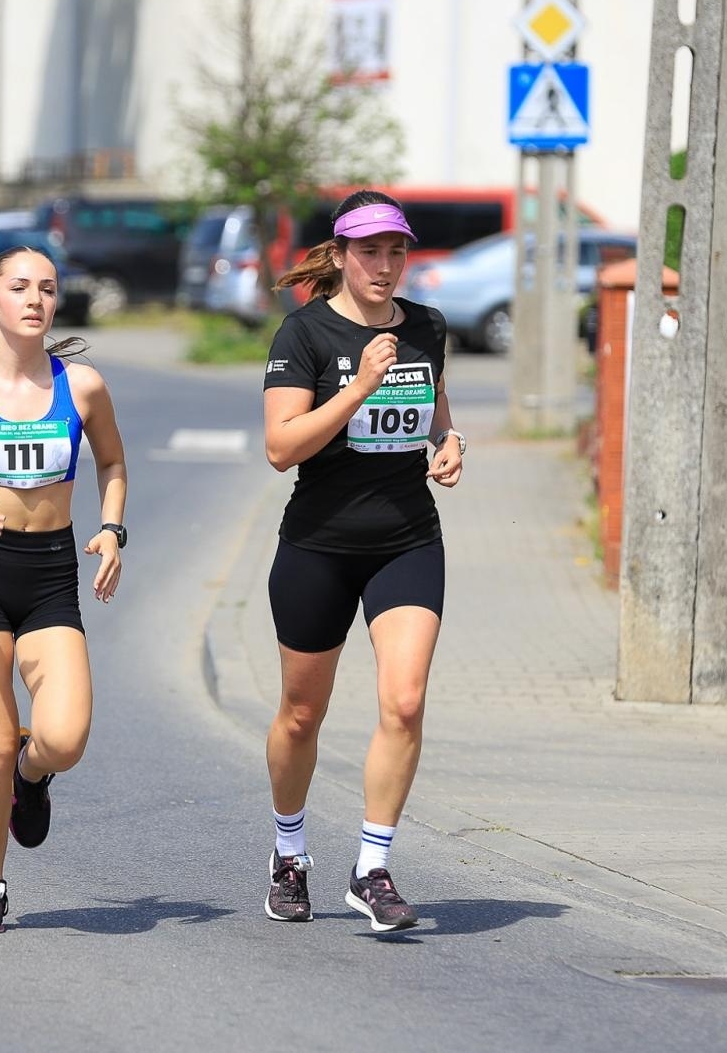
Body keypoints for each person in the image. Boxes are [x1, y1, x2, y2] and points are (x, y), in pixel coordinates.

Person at [259, 190, 463, 932]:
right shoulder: (305, 332)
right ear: (341, 255)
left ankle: (372, 868)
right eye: (370, 252)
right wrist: (360, 388)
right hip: (318, 544)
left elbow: (436, 408)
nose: (384, 265)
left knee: (404, 702)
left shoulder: (427, 326)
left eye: (396, 252)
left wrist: (449, 442)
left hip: (407, 539)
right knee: (300, 714)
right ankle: (289, 854)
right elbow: (281, 447)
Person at [0, 245, 128, 933]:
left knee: (63, 740)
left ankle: (32, 779)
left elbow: (113, 462)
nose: (35, 299)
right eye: (18, 287)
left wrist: (112, 529)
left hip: (50, 580)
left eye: (47, 287)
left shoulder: (82, 386)